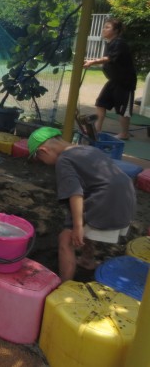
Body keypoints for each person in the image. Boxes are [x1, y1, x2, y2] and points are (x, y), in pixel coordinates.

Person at [27, 127, 136, 282]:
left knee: (66, 238)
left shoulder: (64, 161)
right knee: (84, 222)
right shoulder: (87, 149)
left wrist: (77, 226)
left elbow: (75, 193)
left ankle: (64, 286)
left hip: (106, 198)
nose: (41, 163)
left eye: (38, 158)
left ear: (44, 150)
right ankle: (87, 259)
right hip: (126, 196)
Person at [83, 18, 137, 140]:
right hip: (114, 81)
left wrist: (92, 62)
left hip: (125, 82)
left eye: (107, 27)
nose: (104, 29)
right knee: (101, 103)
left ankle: (124, 134)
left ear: (116, 31)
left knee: (124, 110)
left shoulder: (119, 43)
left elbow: (109, 58)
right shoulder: (111, 43)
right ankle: (97, 130)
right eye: (104, 27)